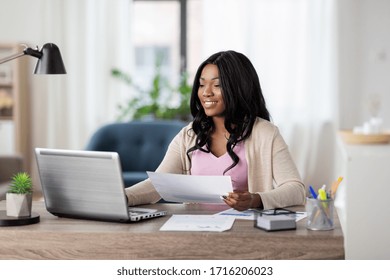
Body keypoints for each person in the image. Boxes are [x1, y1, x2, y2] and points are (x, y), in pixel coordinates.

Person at [125, 50, 305, 211]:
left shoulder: (265, 134)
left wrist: (255, 199)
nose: (206, 93)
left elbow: (296, 189)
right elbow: (157, 185)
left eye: (217, 85)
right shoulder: (189, 135)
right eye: (202, 85)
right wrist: (120, 197)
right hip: (197, 232)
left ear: (238, 88)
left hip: (246, 233)